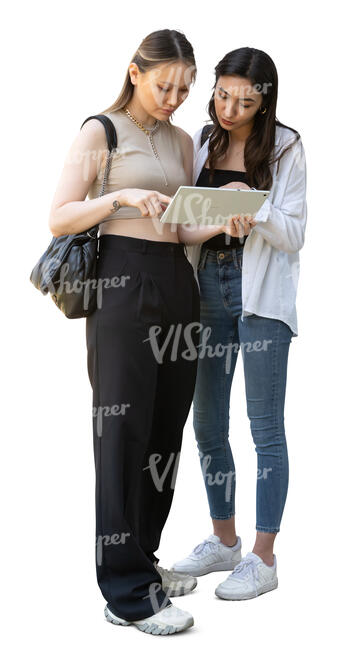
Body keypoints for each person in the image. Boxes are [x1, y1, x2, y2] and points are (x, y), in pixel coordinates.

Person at [48, 29, 200, 635]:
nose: (174, 97)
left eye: (186, 89)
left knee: (165, 430)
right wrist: (120, 199)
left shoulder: (184, 140)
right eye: (165, 85)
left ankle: (145, 560)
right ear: (135, 72)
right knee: (123, 431)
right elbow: (58, 216)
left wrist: (221, 219)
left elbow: (182, 228)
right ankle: (125, 593)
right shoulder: (100, 131)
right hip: (122, 282)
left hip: (177, 284)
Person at [173, 47, 307, 601]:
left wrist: (255, 209)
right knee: (207, 424)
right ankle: (224, 540)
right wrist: (205, 216)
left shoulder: (286, 146)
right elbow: (185, 222)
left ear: (264, 100)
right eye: (222, 95)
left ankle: (262, 557)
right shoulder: (203, 141)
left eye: (244, 100)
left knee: (264, 430)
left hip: (260, 299)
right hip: (207, 287)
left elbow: (295, 233)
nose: (230, 108)